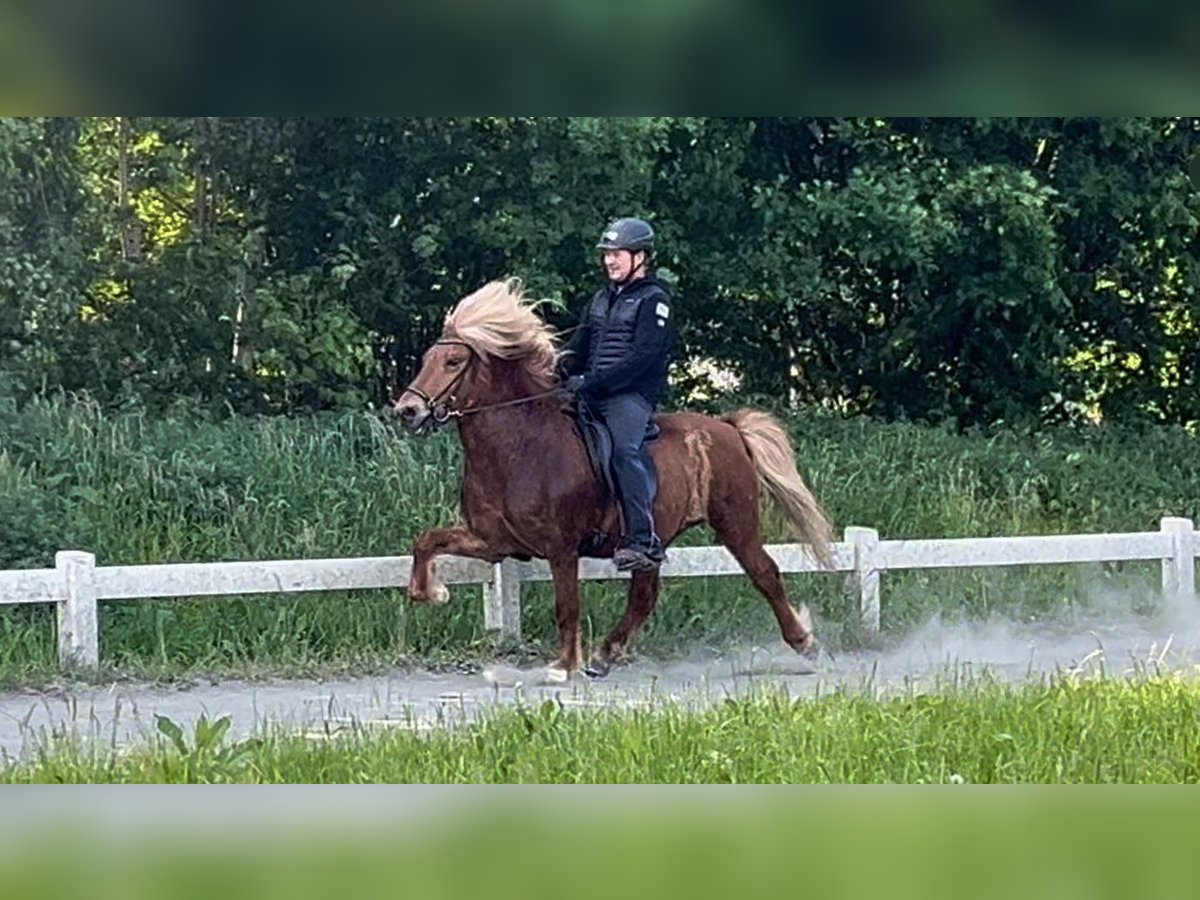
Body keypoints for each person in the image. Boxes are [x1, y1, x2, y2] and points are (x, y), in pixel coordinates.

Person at [558, 216, 675, 572]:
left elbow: (643, 357)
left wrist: (592, 383)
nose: (609, 260)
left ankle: (643, 540)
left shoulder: (655, 300)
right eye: (607, 254)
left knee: (624, 450)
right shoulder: (600, 299)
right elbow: (579, 346)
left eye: (617, 254)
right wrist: (556, 371)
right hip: (592, 391)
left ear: (640, 257)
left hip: (629, 397)